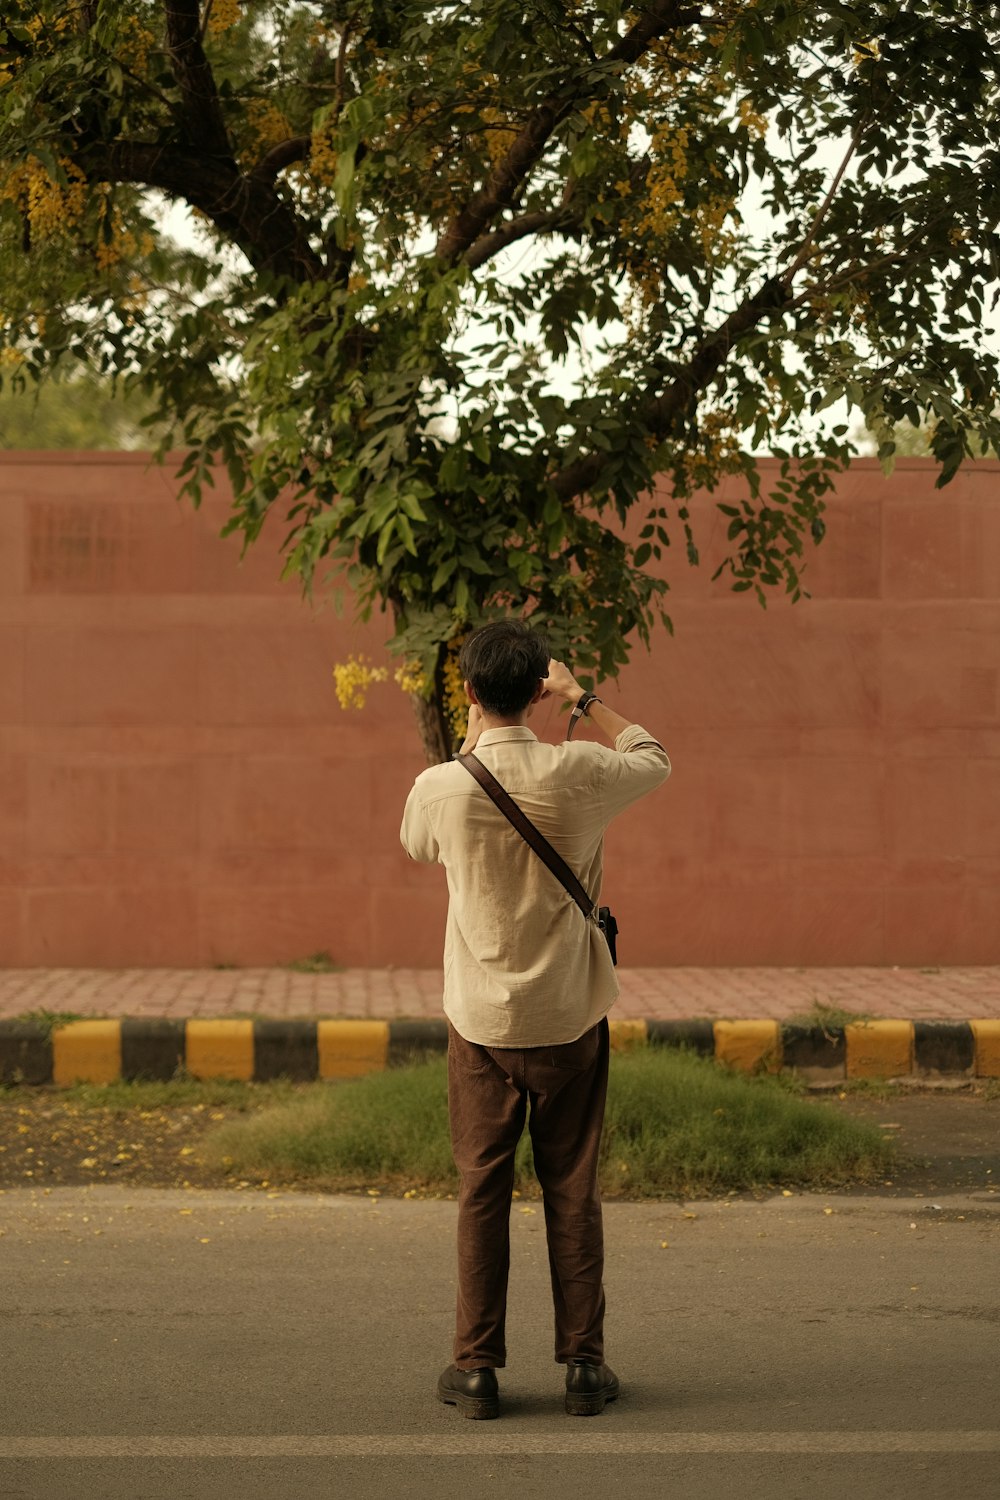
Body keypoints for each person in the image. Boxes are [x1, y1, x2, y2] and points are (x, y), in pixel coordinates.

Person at [399, 619, 670, 1419]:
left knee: (481, 1192)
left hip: (480, 1021)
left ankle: (476, 1369)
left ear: (472, 695)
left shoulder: (441, 786)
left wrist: (472, 741)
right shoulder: (580, 769)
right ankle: (584, 1366)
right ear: (539, 691)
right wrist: (584, 697)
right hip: (570, 1015)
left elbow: (419, 847)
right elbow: (654, 756)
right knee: (572, 1191)